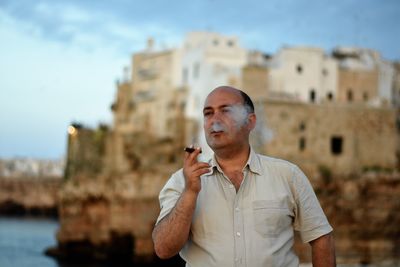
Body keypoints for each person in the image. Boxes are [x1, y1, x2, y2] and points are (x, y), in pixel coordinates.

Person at [152, 86, 336, 267]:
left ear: (250, 121)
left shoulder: (288, 175)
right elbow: (163, 249)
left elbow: (321, 238)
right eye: (208, 113)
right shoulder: (180, 181)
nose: (215, 120)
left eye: (226, 111)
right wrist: (190, 192)